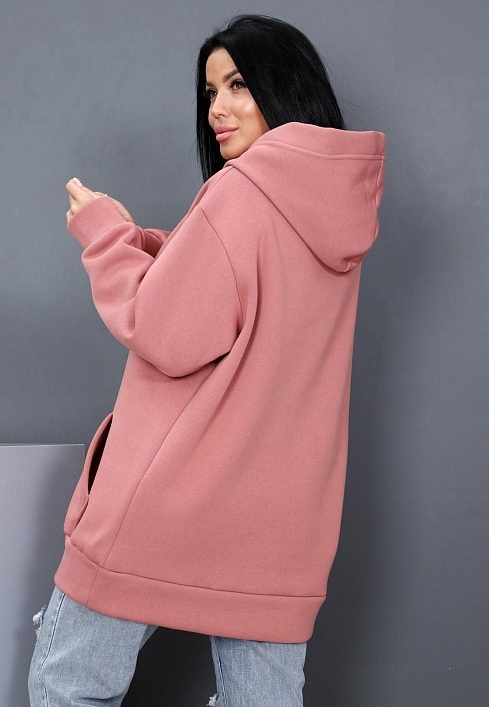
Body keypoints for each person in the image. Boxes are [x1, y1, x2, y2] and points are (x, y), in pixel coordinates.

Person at [29, 13, 385, 707]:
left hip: (172, 504)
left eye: (238, 84)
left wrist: (103, 235)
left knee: (68, 685)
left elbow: (165, 329)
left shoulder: (241, 191)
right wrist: (146, 244)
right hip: (284, 526)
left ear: (285, 88)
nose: (218, 108)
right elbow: (247, 300)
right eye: (210, 91)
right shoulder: (338, 206)